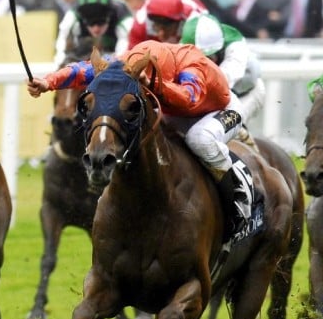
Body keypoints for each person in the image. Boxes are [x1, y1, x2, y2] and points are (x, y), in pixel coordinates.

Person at [26, 40, 254, 233]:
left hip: (220, 109)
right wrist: (48, 83)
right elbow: (81, 71)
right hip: (176, 110)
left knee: (199, 139)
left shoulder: (192, 65)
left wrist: (152, 83)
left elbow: (189, 98)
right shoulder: (125, 63)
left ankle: (238, 197)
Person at [181, 12, 265, 127]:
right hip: (220, 97)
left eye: (208, 57)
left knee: (220, 130)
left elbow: (218, 86)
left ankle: (243, 137)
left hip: (246, 95)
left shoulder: (236, 49)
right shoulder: (184, 45)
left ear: (219, 49)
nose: (203, 63)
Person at [54, 0, 134, 67]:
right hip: (86, 52)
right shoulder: (73, 14)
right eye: (90, 23)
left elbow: (126, 46)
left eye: (101, 22)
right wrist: (59, 62)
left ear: (110, 15)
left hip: (115, 46)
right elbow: (62, 35)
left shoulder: (121, 12)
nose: (96, 28)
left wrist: (118, 62)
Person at [126, 0, 206, 49]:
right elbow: (131, 58)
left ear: (179, 20)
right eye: (156, 25)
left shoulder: (196, 21)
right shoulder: (140, 21)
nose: (161, 33)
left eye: (166, 26)